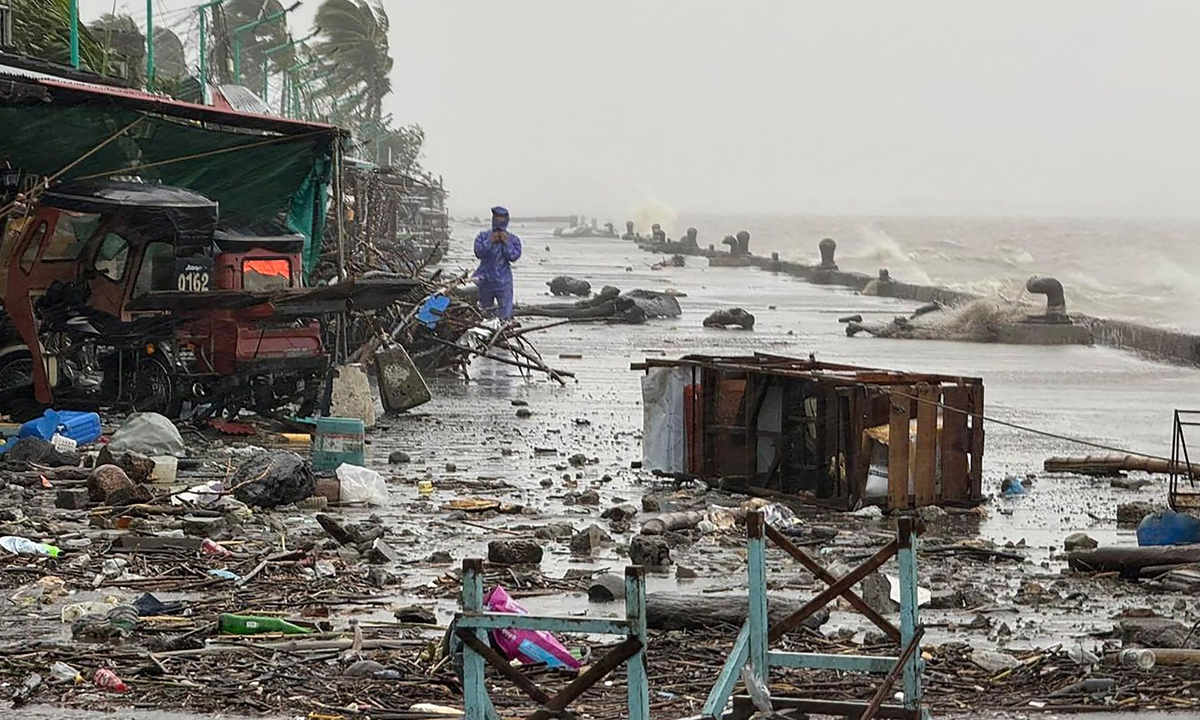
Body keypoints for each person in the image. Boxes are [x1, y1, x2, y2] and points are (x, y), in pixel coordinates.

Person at [473, 206, 522, 319]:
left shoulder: (513, 239)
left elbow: (514, 256)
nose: (499, 220)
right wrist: (490, 241)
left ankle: (502, 331)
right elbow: (478, 252)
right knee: (484, 313)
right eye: (496, 216)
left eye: (501, 217)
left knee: (505, 314)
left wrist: (506, 243)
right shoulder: (483, 236)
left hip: (503, 281)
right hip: (485, 279)